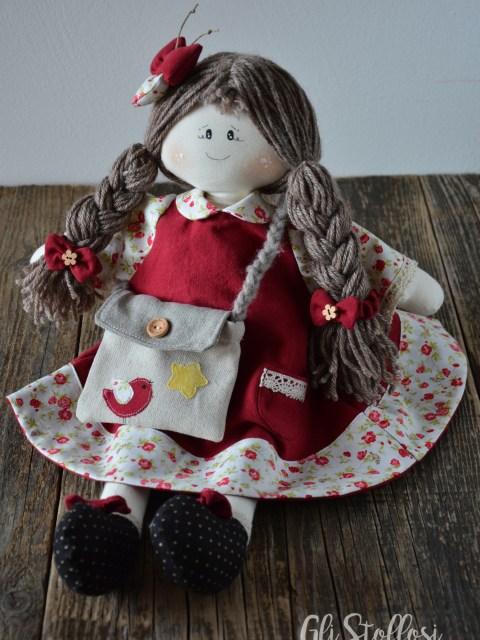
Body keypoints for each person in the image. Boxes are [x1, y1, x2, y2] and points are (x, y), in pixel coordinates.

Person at [8, 45, 467, 596]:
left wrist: (409, 287)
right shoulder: (153, 217)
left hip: (260, 363)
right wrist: (62, 253)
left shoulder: (299, 226)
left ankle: (223, 518)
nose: (217, 143)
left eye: (234, 133)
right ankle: (115, 511)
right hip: (155, 359)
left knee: (252, 437)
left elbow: (360, 258)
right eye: (204, 130)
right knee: (136, 424)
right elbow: (93, 253)